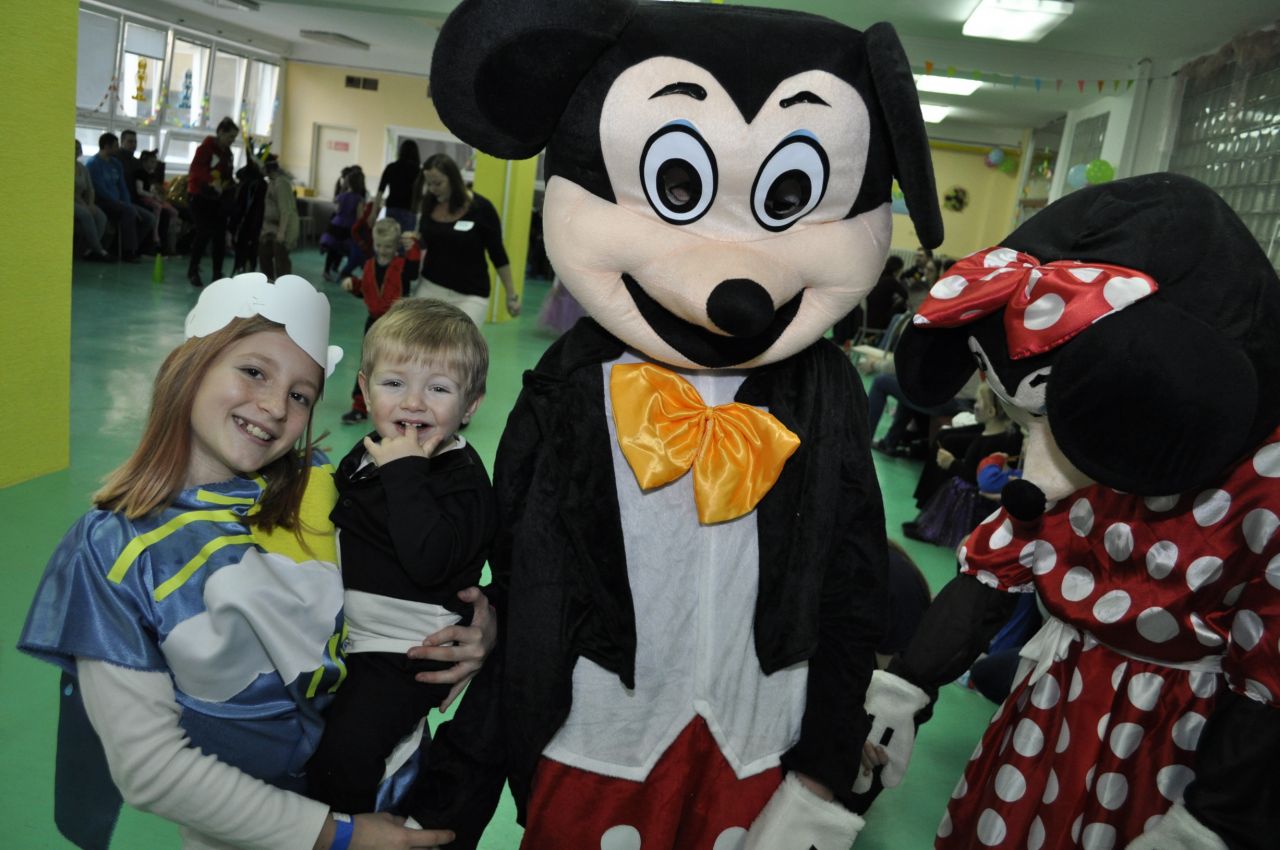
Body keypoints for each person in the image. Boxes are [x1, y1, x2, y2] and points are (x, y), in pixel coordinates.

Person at [18, 273, 489, 850]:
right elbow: (150, 767)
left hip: (401, 787)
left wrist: (482, 626)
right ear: (191, 365)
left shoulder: (323, 486)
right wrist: (338, 835)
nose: (273, 406)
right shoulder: (113, 551)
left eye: (300, 395)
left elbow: (425, 567)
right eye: (254, 372)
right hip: (269, 834)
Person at [307, 297, 497, 818]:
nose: (413, 403)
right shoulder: (372, 449)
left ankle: (347, 833)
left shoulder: (462, 481)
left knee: (344, 756)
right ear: (365, 389)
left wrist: (406, 472)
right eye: (394, 384)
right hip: (353, 636)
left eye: (439, 389)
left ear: (470, 405)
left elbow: (428, 561)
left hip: (407, 651)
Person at [416, 153, 520, 324]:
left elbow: (498, 253)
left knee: (458, 339)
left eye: (438, 183)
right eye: (429, 184)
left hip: (470, 294)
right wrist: (412, 241)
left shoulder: (482, 208)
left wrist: (511, 295)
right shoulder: (428, 205)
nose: (433, 189)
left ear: (453, 179)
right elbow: (425, 243)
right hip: (430, 286)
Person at [340, 218, 423, 424]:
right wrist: (353, 285)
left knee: (398, 366)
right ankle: (359, 407)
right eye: (379, 245)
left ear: (396, 246)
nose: (383, 250)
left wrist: (413, 246)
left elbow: (414, 271)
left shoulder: (402, 265)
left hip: (397, 324)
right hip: (373, 324)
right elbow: (365, 289)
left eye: (388, 246)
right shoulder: (369, 265)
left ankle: (401, 407)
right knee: (368, 364)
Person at [87, 132, 156, 262]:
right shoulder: (93, 164)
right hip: (103, 202)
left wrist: (127, 202)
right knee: (129, 211)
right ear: (106, 147)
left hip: (119, 202)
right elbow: (100, 190)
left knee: (149, 218)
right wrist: (122, 204)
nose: (117, 148)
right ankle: (127, 252)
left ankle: (130, 247)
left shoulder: (116, 164)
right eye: (115, 146)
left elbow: (122, 186)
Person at [187, 117, 239, 288]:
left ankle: (217, 273)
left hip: (218, 200)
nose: (232, 140)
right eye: (230, 136)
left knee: (219, 236)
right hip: (199, 197)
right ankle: (193, 270)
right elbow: (196, 170)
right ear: (220, 132)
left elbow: (227, 174)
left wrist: (231, 184)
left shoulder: (228, 153)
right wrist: (211, 181)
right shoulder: (204, 149)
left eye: (234, 137)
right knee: (203, 233)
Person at [259, 154, 300, 280]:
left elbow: (285, 210)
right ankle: (269, 284)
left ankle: (283, 287)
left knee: (281, 263)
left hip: (282, 229)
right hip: (270, 229)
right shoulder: (272, 182)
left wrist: (281, 233)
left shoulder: (281, 183)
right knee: (264, 257)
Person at [324, 167, 367, 282]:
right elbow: (359, 217)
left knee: (333, 248)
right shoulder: (359, 199)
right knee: (345, 249)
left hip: (336, 224)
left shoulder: (341, 196)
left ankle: (326, 271)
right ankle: (343, 271)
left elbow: (337, 210)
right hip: (349, 227)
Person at [73, 139, 111, 261]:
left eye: (78, 148)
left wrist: (90, 204)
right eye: (74, 148)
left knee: (101, 217)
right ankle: (99, 250)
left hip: (83, 201)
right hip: (70, 201)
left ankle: (89, 250)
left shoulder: (82, 168)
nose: (76, 150)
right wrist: (84, 205)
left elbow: (90, 189)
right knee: (86, 215)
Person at [135, 150, 178, 255]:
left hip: (154, 198)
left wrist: (159, 196)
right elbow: (139, 191)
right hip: (144, 199)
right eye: (152, 162)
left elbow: (155, 189)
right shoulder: (140, 174)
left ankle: (170, 240)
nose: (154, 164)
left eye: (155, 162)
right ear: (144, 162)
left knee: (174, 212)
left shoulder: (153, 175)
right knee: (158, 207)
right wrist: (153, 196)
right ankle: (155, 234)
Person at [378, 140, 421, 232]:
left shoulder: (391, 167)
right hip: (409, 210)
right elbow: (420, 194)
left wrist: (373, 213)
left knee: (390, 237)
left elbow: (380, 190)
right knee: (406, 239)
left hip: (392, 208)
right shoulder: (417, 170)